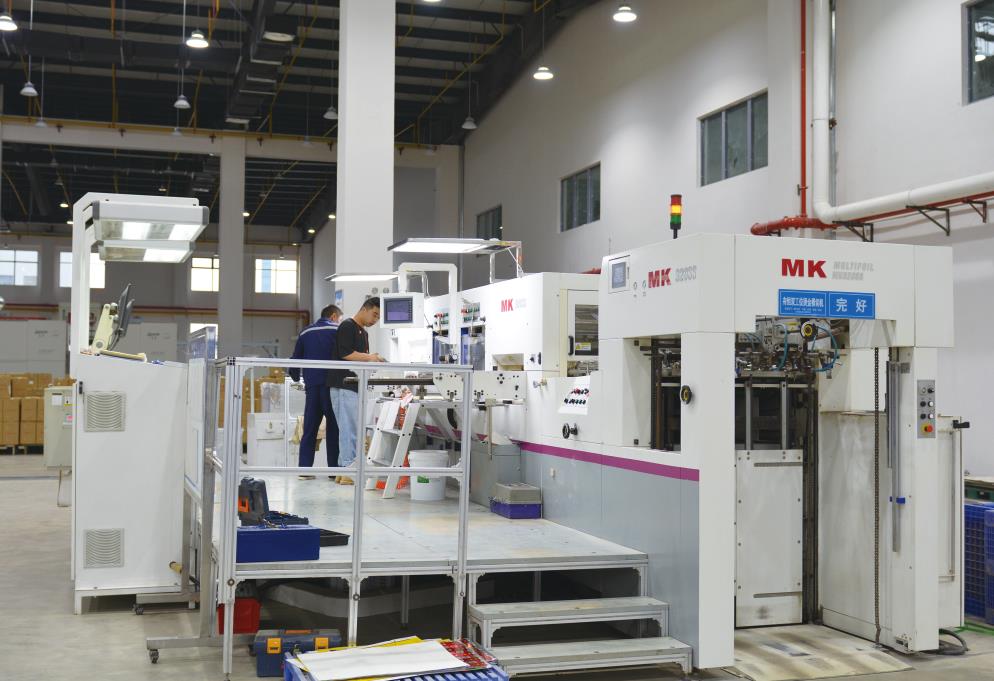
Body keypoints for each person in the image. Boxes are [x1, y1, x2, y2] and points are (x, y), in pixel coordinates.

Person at [327, 297, 385, 485]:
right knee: (349, 430)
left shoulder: (363, 333)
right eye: (374, 314)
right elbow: (345, 353)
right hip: (343, 385)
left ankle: (343, 470)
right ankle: (347, 469)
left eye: (378, 318)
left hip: (354, 385)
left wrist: (374, 359)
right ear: (364, 309)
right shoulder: (347, 326)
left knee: (351, 429)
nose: (375, 320)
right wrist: (370, 357)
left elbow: (361, 357)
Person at [289, 304, 342, 479]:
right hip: (332, 386)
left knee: (310, 429)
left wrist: (295, 377)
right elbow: (346, 355)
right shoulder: (337, 330)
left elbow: (295, 358)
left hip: (312, 387)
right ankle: (334, 471)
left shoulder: (305, 332)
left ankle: (304, 471)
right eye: (339, 318)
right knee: (333, 429)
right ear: (333, 316)